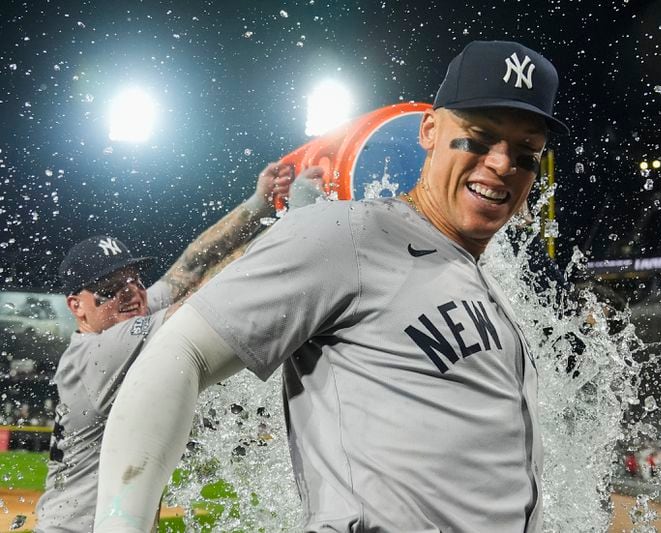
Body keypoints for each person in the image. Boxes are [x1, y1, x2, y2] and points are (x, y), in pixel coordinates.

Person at [94, 40, 570, 532]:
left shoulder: (486, 288)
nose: (501, 163)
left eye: (526, 151)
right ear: (428, 129)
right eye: (478, 137)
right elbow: (179, 353)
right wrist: (119, 524)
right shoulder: (349, 232)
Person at [33, 161, 307, 532]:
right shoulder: (96, 354)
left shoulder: (127, 317)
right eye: (109, 288)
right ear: (76, 307)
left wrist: (257, 204)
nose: (130, 292)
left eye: (134, 278)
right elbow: (211, 296)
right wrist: (298, 226)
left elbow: (190, 265)